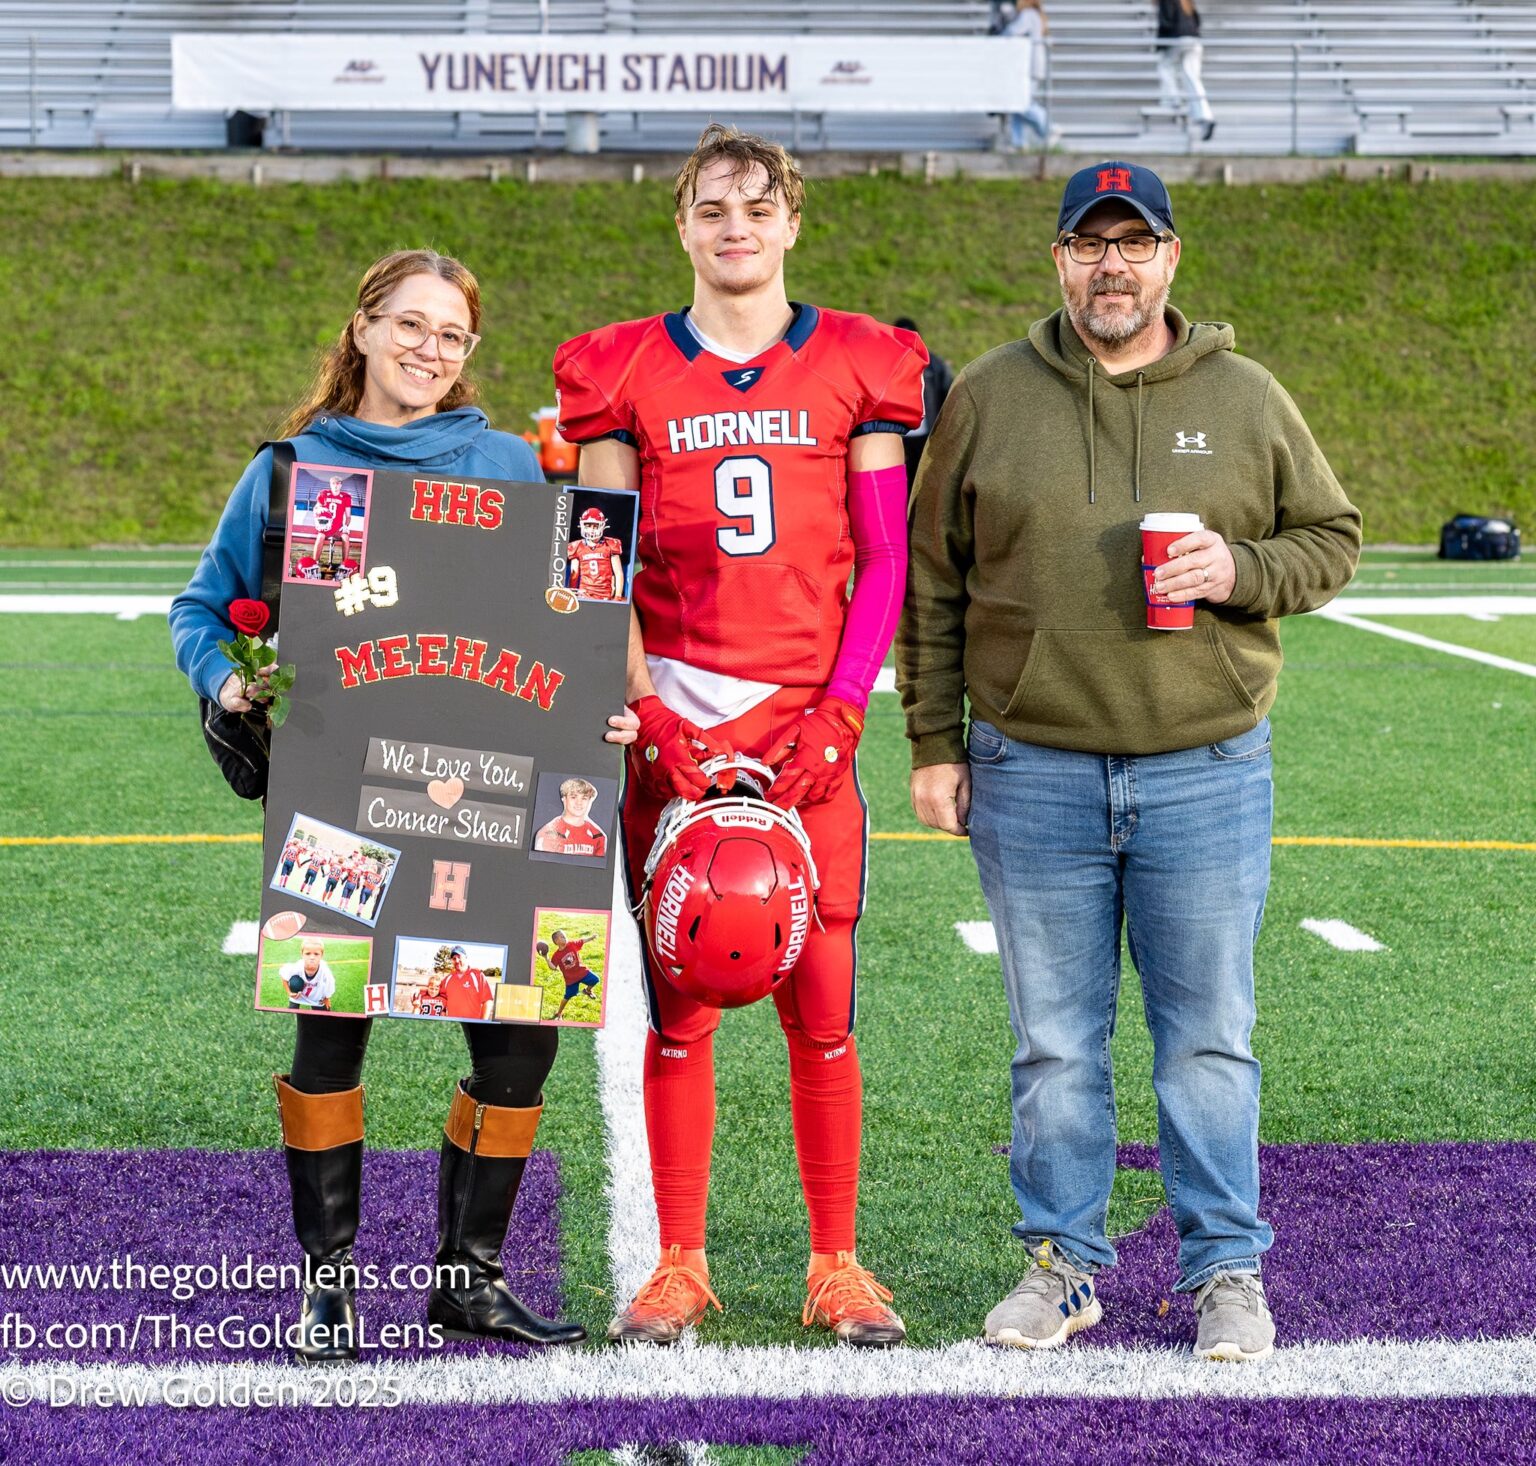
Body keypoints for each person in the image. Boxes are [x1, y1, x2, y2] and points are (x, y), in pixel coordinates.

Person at [897, 161, 1360, 1362]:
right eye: (1090, 243)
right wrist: (933, 744)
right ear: (1059, 259)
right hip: (1030, 764)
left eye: (1134, 243)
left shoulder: (1247, 395)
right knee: (1053, 1039)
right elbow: (933, 579)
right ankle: (1064, 1264)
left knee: (1207, 1033)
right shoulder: (992, 395)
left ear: (1170, 258)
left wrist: (1239, 572)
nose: (1113, 264)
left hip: (1203, 765)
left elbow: (1333, 537)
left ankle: (1225, 1270)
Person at [170, 248, 638, 1363]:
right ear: (365, 329)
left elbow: (570, 628)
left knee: (522, 1036)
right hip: (349, 803)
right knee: (331, 1032)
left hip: (508, 798)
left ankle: (467, 1281)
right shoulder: (293, 469)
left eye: (453, 334)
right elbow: (199, 608)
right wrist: (229, 677)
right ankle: (326, 1285)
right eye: (410, 325)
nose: (431, 349)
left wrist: (600, 714)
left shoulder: (514, 465)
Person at [554, 123, 927, 1347]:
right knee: (682, 1001)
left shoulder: (860, 362)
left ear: (792, 222)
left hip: (806, 725)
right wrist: (651, 710)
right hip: (676, 720)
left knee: (821, 1001)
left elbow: (883, 561)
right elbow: (594, 562)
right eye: (712, 207)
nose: (735, 227)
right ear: (682, 224)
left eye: (757, 208)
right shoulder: (620, 371)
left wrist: (844, 707)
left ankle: (836, 1259)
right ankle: (679, 1258)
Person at [892, 317, 955, 482]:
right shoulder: (885, 364)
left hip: (925, 435)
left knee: (922, 480)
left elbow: (948, 395)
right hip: (896, 435)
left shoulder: (933, 364)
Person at [999, 0, 1057, 150]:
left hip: (1029, 66)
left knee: (1022, 103)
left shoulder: (1028, 14)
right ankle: (1018, 142)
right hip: (1029, 66)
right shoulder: (1036, 15)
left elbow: (1012, 32)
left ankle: (1049, 128)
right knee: (1016, 104)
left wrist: (1006, 22)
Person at [1156, 0, 1215, 142]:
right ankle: (1205, 115)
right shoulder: (1187, 2)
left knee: (1165, 66)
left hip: (1177, 38)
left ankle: (1172, 100)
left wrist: (1159, 43)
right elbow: (1197, 21)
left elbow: (1166, 22)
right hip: (1194, 40)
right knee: (1192, 77)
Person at [532, 777, 608, 857]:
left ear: (589, 801)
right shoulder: (548, 833)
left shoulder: (598, 836)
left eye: (584, 798)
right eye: (573, 797)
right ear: (564, 799)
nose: (579, 803)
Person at [567, 507, 625, 600]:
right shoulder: (576, 546)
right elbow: (574, 574)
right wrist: (571, 594)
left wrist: (618, 596)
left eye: (595, 526)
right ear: (582, 525)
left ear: (602, 526)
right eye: (588, 526)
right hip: (584, 594)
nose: (591, 530)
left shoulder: (610, 545)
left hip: (605, 595)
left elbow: (618, 573)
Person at [440, 944, 496, 1022]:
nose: (457, 961)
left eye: (459, 957)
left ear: (466, 957)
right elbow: (439, 995)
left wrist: (483, 1023)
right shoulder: (448, 978)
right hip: (453, 1026)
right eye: (454, 958)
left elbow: (488, 1001)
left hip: (473, 1025)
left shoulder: (477, 975)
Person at [282, 937, 336, 1012]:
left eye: (316, 954)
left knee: (324, 1016)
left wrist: (327, 998)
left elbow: (330, 984)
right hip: (298, 995)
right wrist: (289, 992)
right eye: (307, 954)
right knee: (291, 1013)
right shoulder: (297, 966)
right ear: (302, 954)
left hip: (316, 996)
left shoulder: (324, 970)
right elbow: (284, 976)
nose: (312, 957)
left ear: (321, 955)